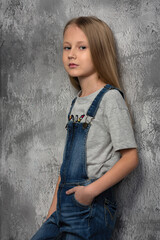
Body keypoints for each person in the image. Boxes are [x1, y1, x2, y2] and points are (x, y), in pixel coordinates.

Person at [31, 16, 139, 240]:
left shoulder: (110, 98)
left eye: (82, 47)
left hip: (90, 208)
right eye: (67, 47)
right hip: (63, 207)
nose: (71, 54)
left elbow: (130, 158)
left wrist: (89, 192)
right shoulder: (77, 101)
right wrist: (52, 213)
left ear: (99, 51)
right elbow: (66, 167)